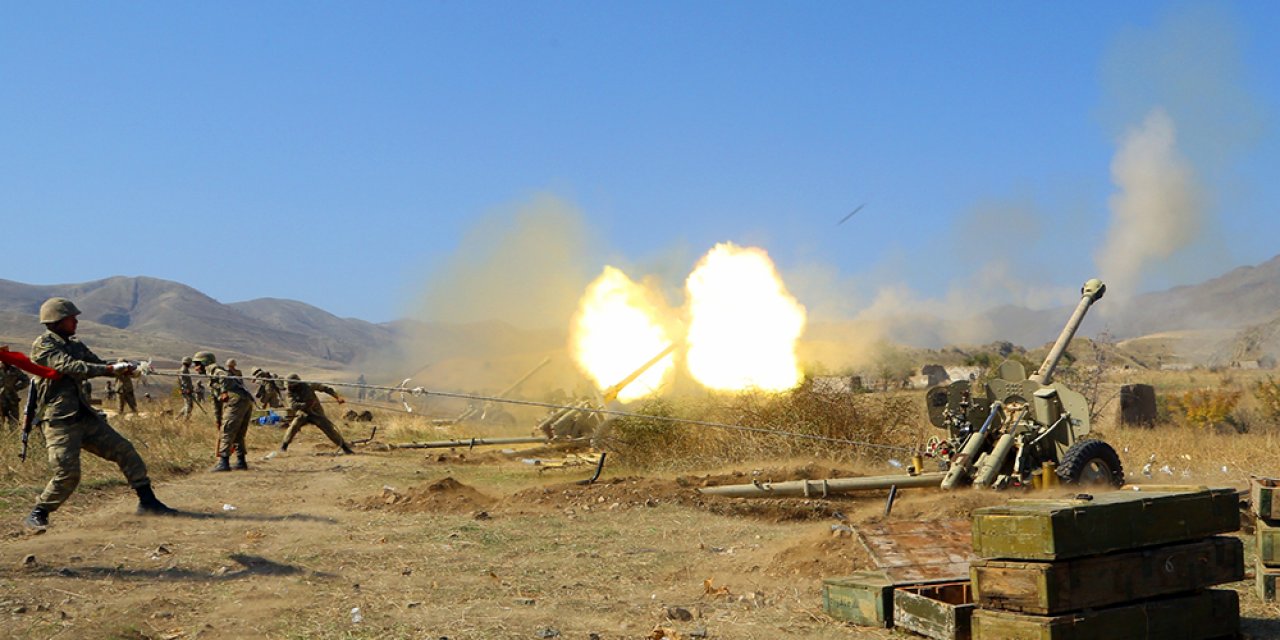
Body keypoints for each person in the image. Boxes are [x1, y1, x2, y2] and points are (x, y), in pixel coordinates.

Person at [23, 297, 175, 533]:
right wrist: (109, 369)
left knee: (125, 451)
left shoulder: (75, 345)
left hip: (84, 416)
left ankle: (148, 502)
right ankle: (39, 513)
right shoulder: (44, 345)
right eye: (71, 318)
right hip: (59, 421)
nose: (76, 322)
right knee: (68, 474)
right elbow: (71, 366)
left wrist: (127, 369)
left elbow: (97, 363)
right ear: (56, 321)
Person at [191, 351, 253, 471]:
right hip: (244, 400)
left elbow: (223, 376)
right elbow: (216, 403)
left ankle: (224, 462)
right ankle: (241, 461)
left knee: (227, 430)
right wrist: (218, 419)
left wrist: (224, 391)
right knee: (238, 433)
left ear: (205, 363)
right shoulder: (211, 377)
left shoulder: (213, 369)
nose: (195, 368)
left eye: (197, 364)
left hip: (235, 400)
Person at [280, 373, 354, 454]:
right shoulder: (289, 392)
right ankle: (283, 447)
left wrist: (337, 397)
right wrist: (305, 404)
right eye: (288, 386)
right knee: (293, 426)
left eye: (291, 386)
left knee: (329, 429)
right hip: (303, 413)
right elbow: (293, 405)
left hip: (316, 413)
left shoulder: (309, 385)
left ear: (297, 384)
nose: (289, 387)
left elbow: (325, 388)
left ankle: (345, 448)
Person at [1, 359, 30, 427]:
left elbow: (26, 380)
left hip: (12, 401)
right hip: (1, 401)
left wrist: (17, 387)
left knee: (14, 423)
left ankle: (14, 434)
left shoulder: (15, 370)